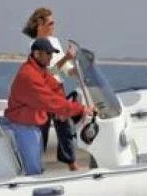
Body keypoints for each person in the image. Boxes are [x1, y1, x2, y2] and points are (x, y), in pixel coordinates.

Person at [5, 38, 93, 175]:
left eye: (52, 54)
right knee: (34, 172)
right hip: (25, 127)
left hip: (33, 124)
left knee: (37, 166)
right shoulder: (29, 75)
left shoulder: (40, 70)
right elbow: (50, 101)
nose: (51, 57)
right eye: (48, 54)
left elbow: (55, 87)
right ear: (36, 54)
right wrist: (80, 109)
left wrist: (62, 110)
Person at [21, 7, 80, 169]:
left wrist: (75, 70)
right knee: (43, 127)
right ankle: (36, 164)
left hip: (57, 88)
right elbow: (47, 71)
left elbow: (64, 69)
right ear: (40, 24)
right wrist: (66, 57)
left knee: (65, 125)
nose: (54, 26)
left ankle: (71, 163)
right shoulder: (34, 45)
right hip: (42, 90)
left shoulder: (55, 41)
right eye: (51, 23)